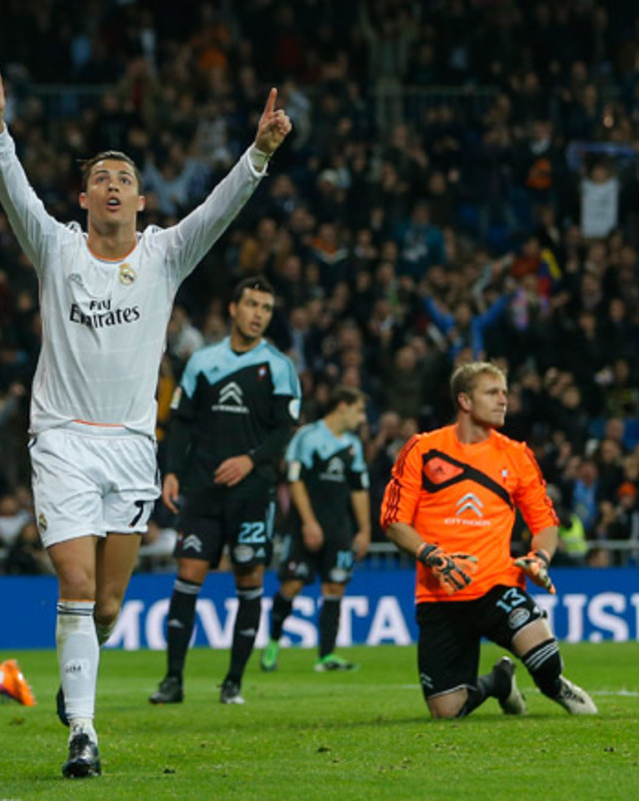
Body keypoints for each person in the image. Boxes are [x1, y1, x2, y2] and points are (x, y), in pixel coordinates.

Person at [0, 63, 291, 777]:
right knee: (77, 585)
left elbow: (221, 206)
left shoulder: (164, 255)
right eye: (102, 177)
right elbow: (11, 188)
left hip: (131, 449)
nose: (113, 184)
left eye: (125, 177)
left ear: (142, 201)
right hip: (61, 439)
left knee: (109, 605)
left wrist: (260, 152)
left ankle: (76, 675)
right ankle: (83, 730)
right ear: (83, 197)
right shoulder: (53, 248)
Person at [380, 361, 597, 719]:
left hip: (496, 584)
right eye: (492, 393)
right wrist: (432, 555)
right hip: (440, 595)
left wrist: (540, 557)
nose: (503, 401)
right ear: (464, 401)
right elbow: (392, 521)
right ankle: (499, 682)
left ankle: (555, 685)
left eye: (505, 393)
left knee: (544, 660)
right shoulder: (422, 450)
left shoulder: (517, 455)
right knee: (447, 713)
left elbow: (545, 522)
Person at [148, 277, 301, 707]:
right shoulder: (202, 361)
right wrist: (173, 472)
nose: (258, 314)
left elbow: (283, 428)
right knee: (188, 575)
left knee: (249, 577)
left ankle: (233, 682)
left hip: (253, 493)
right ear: (233, 308)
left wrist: (250, 460)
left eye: (266, 308)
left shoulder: (278, 366)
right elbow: (181, 421)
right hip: (202, 489)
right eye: (252, 304)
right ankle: (172, 680)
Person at [262, 387, 371, 673]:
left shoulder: (352, 445)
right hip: (303, 528)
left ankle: (326, 655)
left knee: (335, 586)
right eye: (358, 410)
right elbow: (294, 482)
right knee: (292, 585)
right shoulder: (308, 437)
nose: (361, 418)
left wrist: (365, 529)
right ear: (342, 406)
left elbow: (359, 489)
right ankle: (273, 641)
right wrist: (309, 522)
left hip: (339, 529)